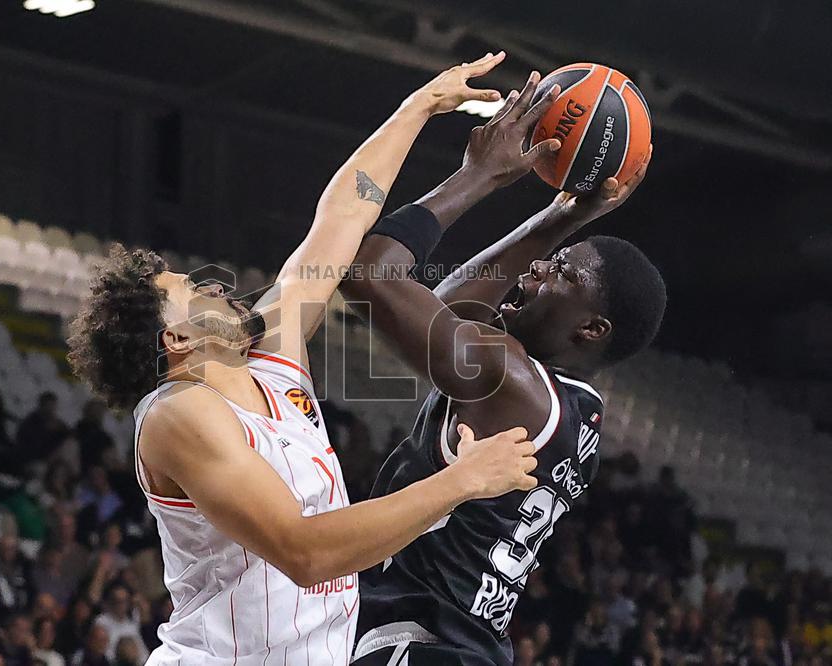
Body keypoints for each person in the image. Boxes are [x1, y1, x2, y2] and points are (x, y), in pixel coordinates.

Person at [67, 53, 542, 665]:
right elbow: (305, 553)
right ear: (177, 341)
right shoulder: (176, 415)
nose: (214, 285)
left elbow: (343, 215)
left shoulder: (272, 357)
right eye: (194, 292)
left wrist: (420, 106)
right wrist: (461, 481)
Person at [341, 72, 665, 665]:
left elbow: (370, 276)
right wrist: (558, 217)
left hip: (422, 644)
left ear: (591, 329)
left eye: (561, 272)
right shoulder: (572, 411)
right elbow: (449, 311)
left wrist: (480, 174)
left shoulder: (511, 380)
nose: (537, 269)